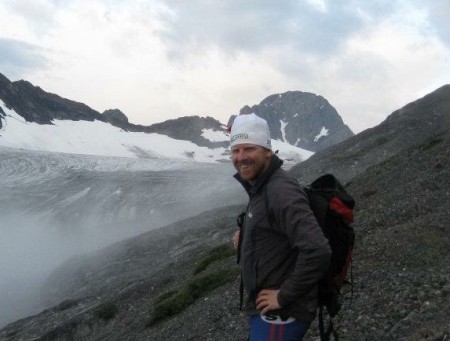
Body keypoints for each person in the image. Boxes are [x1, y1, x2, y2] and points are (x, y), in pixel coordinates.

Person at [230, 113, 331, 341]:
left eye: (249, 149)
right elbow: (273, 225)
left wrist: (284, 296)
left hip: (281, 315)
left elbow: (317, 249)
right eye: (236, 150)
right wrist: (246, 233)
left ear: (267, 150)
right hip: (269, 313)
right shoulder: (262, 185)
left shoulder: (280, 192)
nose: (241, 157)